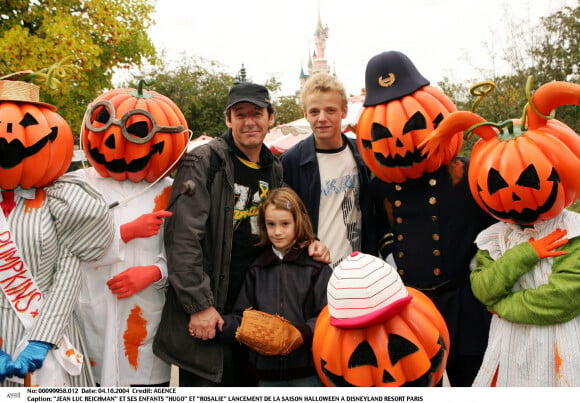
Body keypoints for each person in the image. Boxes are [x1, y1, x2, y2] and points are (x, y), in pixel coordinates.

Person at [153, 82, 330, 387]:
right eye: (240, 114)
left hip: (255, 314)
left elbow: (284, 221)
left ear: (270, 117)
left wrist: (310, 243)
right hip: (213, 311)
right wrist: (199, 305)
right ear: (228, 120)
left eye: (257, 113)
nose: (249, 121)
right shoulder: (205, 162)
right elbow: (182, 238)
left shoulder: (274, 168)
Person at [359, 51, 496, 386]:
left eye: (415, 127)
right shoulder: (380, 187)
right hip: (413, 307)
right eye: (382, 133)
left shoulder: (465, 173)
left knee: (471, 380)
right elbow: (379, 229)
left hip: (464, 302)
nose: (401, 140)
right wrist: (390, 254)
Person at [0, 77, 114, 386]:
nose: (9, 139)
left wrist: (42, 339)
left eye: (27, 124)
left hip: (51, 334)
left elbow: (68, 274)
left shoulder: (60, 200)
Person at [74, 85, 190, 386]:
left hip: (142, 323)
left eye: (137, 131)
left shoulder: (173, 190)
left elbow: (189, 251)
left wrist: (155, 272)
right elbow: (65, 246)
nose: (121, 143)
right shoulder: (76, 186)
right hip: (91, 318)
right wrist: (124, 233)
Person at [217, 187, 332, 386]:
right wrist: (217, 325)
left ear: (299, 222)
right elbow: (243, 317)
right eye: (271, 224)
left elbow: (328, 314)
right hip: (265, 374)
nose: (277, 232)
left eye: (285, 224)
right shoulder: (257, 269)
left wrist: (300, 334)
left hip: (308, 371)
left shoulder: (316, 267)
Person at [281, 73, 383, 267]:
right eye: (314, 112)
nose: (322, 118)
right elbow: (285, 219)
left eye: (330, 110)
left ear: (344, 111)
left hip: (358, 269)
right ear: (305, 114)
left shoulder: (362, 153)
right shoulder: (291, 162)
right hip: (313, 271)